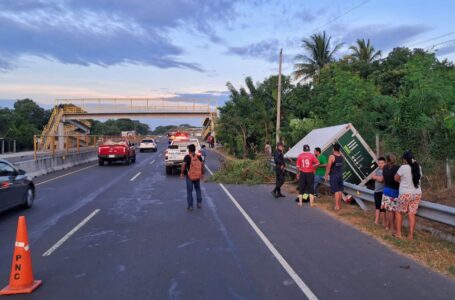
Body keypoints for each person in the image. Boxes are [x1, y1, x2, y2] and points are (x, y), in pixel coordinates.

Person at [394, 151, 422, 240]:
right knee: (411, 213)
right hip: (417, 193)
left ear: (405, 159)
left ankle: (398, 234)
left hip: (405, 193)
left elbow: (396, 178)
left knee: (399, 212)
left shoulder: (403, 167)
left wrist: (401, 181)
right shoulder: (418, 166)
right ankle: (410, 236)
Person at [180, 144, 205, 211]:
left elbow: (184, 165)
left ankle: (190, 206)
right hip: (197, 176)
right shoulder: (199, 157)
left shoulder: (187, 157)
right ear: (194, 149)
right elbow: (202, 166)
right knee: (198, 189)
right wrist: (202, 174)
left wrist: (182, 173)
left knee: (189, 191)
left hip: (190, 177)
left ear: (189, 150)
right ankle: (199, 203)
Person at [381, 153, 400, 234]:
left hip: (386, 190)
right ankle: (395, 228)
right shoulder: (397, 168)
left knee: (389, 210)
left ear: (387, 160)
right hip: (395, 191)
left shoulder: (384, 167)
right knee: (396, 211)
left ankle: (391, 227)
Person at [325, 143, 344, 210]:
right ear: (339, 149)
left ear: (333, 149)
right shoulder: (341, 156)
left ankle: (337, 206)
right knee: (340, 190)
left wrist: (326, 175)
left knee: (336, 191)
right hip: (340, 175)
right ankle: (339, 205)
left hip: (334, 175)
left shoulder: (331, 156)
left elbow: (328, 167)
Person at [371, 157, 386, 226]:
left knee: (382, 208)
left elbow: (381, 180)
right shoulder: (377, 169)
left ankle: (384, 223)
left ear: (385, 163)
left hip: (382, 191)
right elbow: (372, 176)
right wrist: (377, 177)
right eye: (379, 163)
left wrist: (375, 177)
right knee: (377, 207)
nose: (380, 165)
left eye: (382, 163)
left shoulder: (386, 170)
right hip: (376, 191)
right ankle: (376, 221)